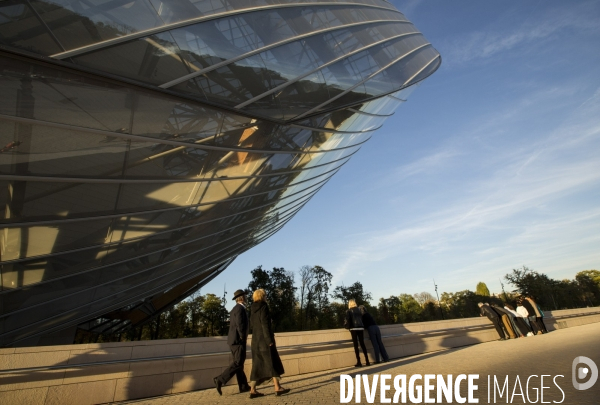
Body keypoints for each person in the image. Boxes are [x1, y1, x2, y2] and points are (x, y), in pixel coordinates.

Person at [248, 289, 290, 398]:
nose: (266, 297)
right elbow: (265, 325)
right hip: (264, 341)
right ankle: (277, 388)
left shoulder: (252, 308)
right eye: (265, 295)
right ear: (262, 296)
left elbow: (252, 325)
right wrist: (269, 340)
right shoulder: (264, 307)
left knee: (257, 366)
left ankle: (252, 390)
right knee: (272, 363)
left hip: (255, 341)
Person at [214, 289, 251, 395]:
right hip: (238, 341)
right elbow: (240, 325)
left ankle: (243, 386)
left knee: (239, 364)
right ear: (242, 298)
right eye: (245, 296)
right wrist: (243, 337)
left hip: (234, 340)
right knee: (238, 363)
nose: (246, 298)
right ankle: (220, 379)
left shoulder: (235, 308)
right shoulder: (240, 309)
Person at [345, 299, 370, 366]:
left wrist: (347, 327)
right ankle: (367, 361)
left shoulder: (349, 311)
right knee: (362, 343)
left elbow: (348, 320)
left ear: (349, 304)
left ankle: (359, 362)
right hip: (361, 327)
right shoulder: (359, 310)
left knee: (356, 345)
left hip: (354, 328)